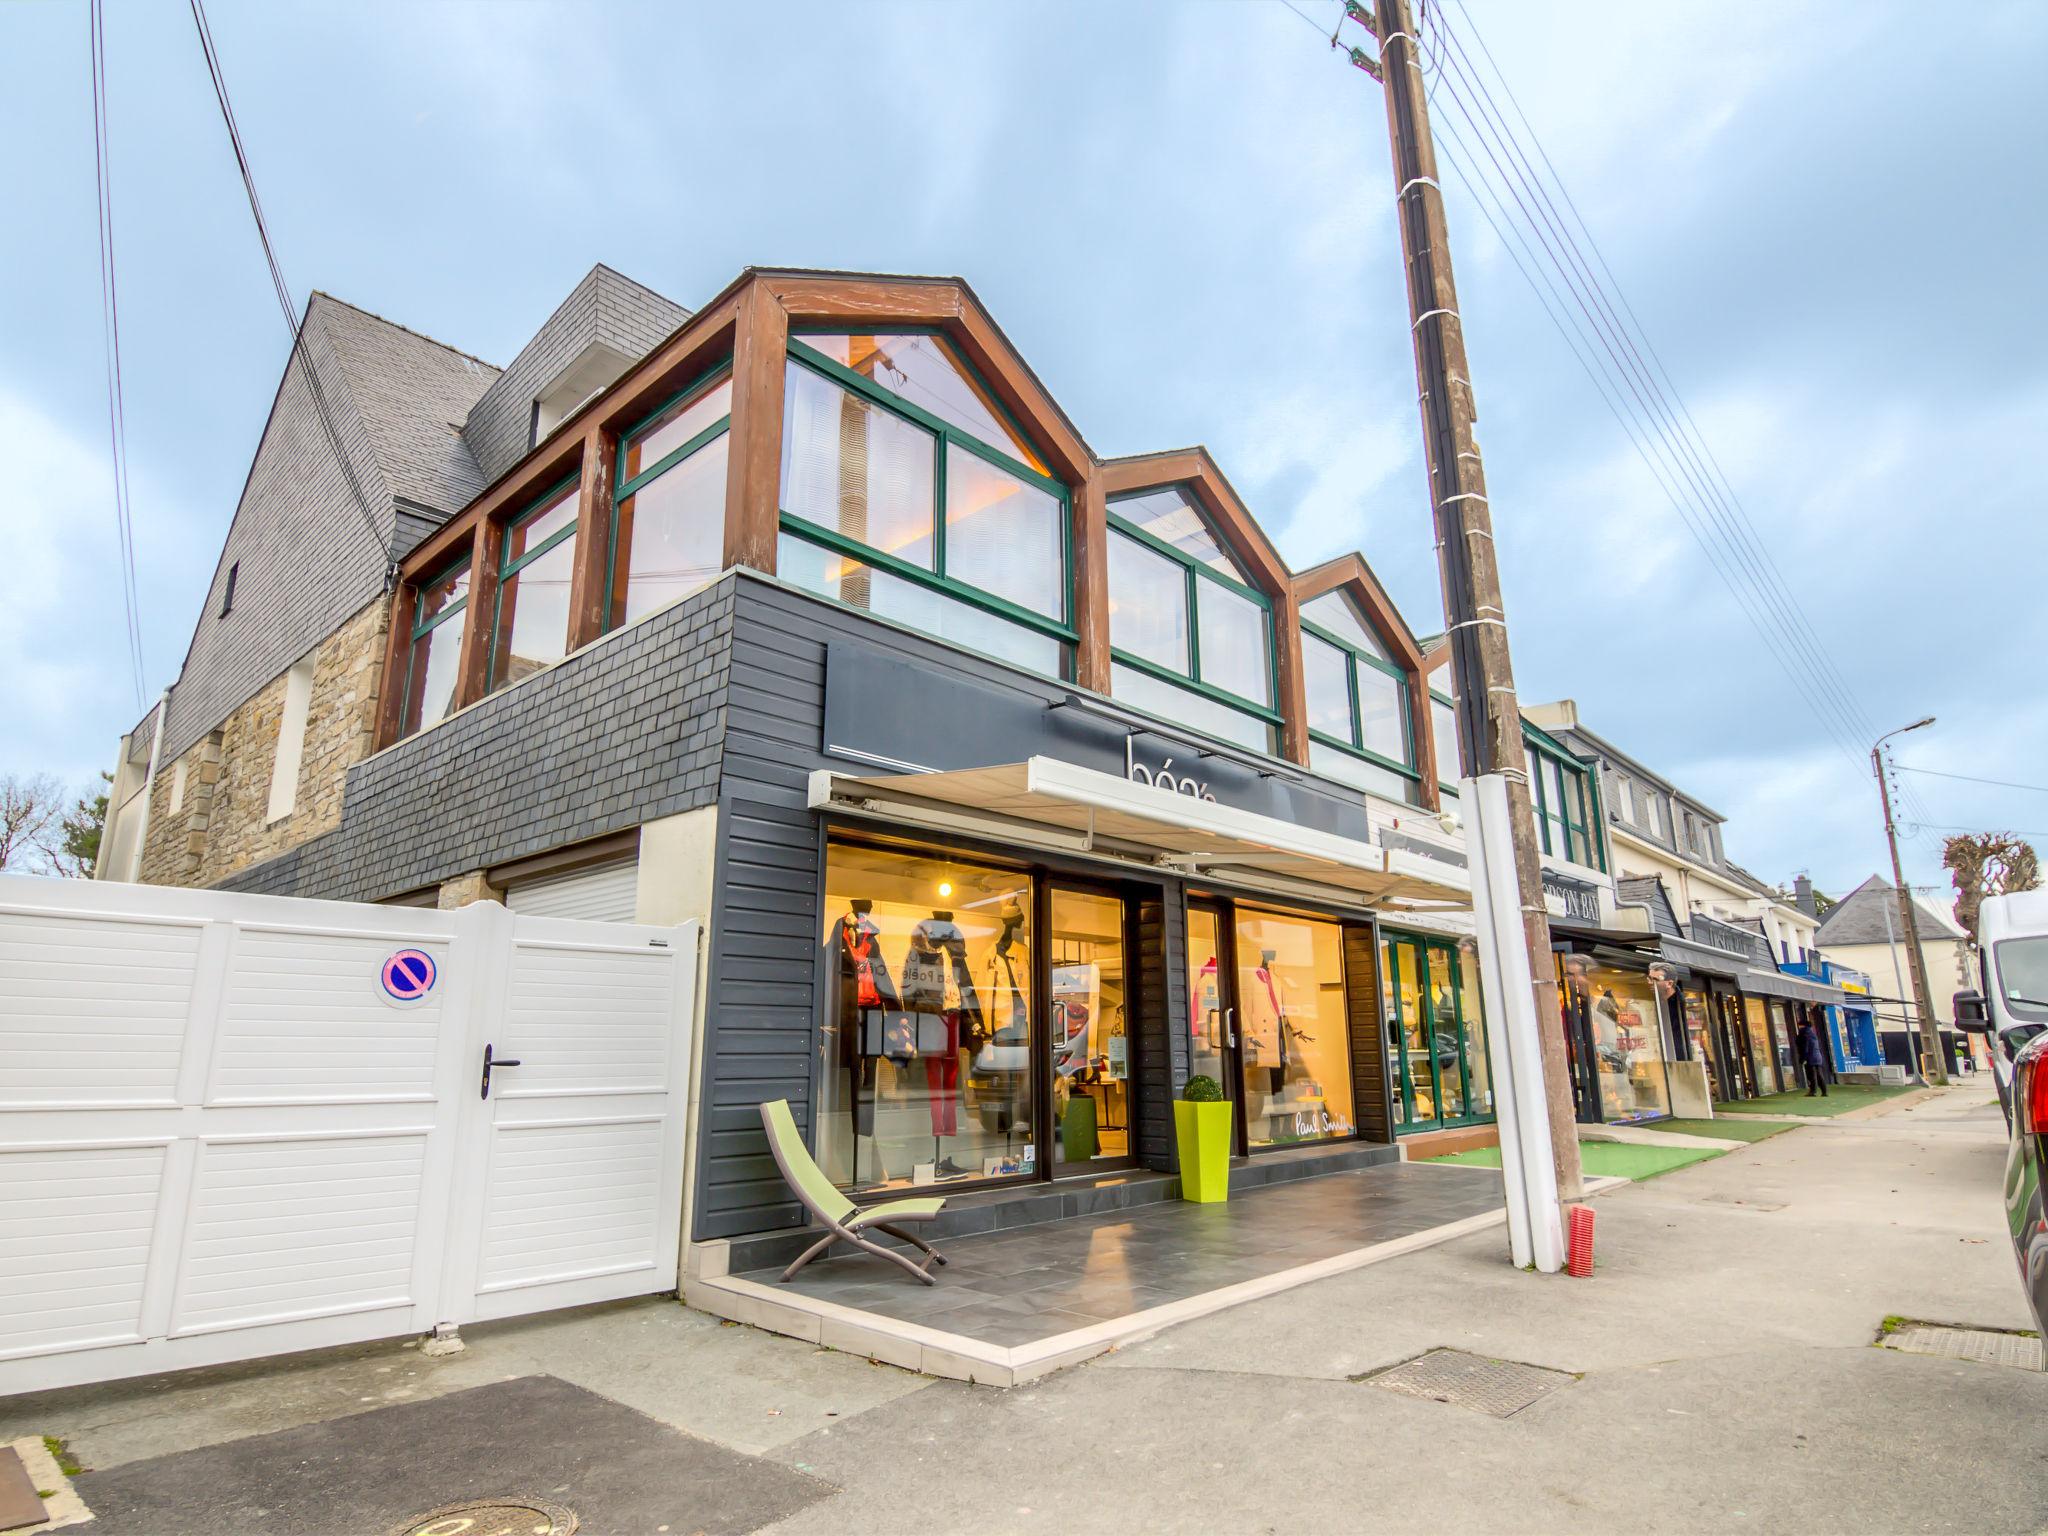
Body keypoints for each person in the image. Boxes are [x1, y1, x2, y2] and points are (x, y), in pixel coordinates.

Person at [1796, 1017, 1829, 1097]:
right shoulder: (1812, 1034)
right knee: (1818, 1074)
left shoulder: (1803, 1033)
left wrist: (1803, 1058)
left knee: (1811, 1075)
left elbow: (1805, 1047)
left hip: (1809, 1057)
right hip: (1817, 1057)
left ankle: (1813, 1091)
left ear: (1802, 1026)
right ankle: (1824, 1091)